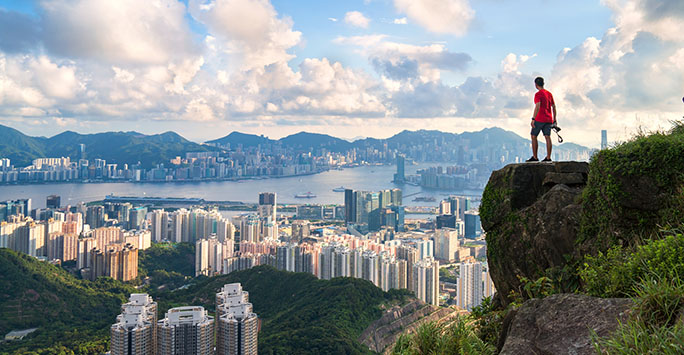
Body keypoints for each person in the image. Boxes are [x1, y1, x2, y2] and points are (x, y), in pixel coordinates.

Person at [527, 77, 556, 162]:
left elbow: (538, 106)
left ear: (535, 84)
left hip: (539, 118)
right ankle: (548, 157)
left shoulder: (538, 94)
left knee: (533, 136)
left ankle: (535, 157)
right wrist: (555, 119)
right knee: (547, 137)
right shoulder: (549, 94)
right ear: (543, 83)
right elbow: (554, 107)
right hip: (549, 119)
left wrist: (533, 119)